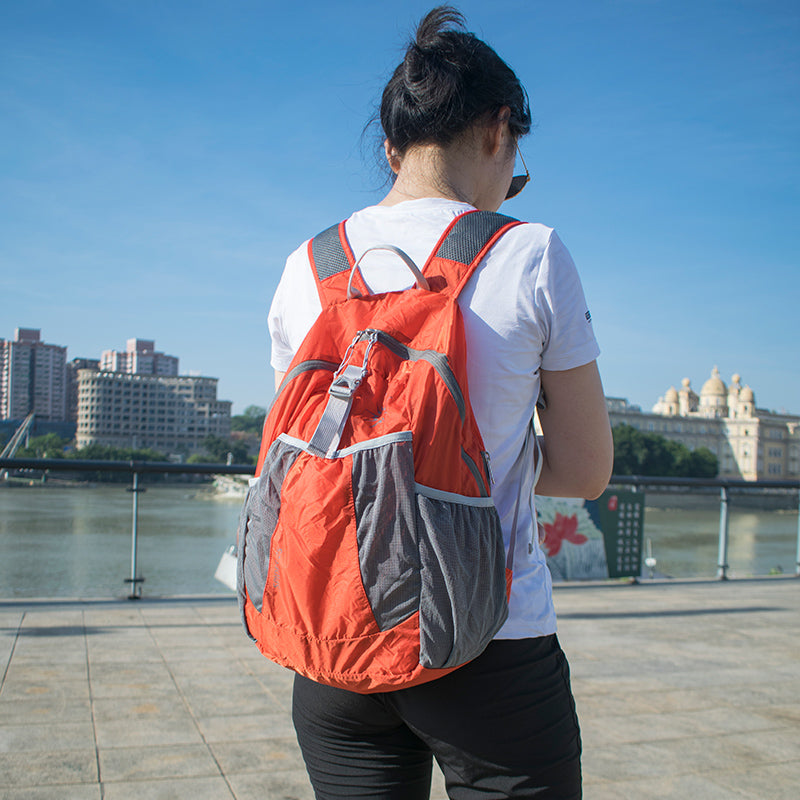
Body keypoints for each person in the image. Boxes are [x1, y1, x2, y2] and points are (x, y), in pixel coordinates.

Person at [267, 6, 613, 798]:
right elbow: (587, 470)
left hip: (337, 634)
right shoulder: (529, 251)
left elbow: (310, 447)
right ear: (500, 129)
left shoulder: (306, 267)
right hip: (489, 643)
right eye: (515, 160)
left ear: (390, 147)